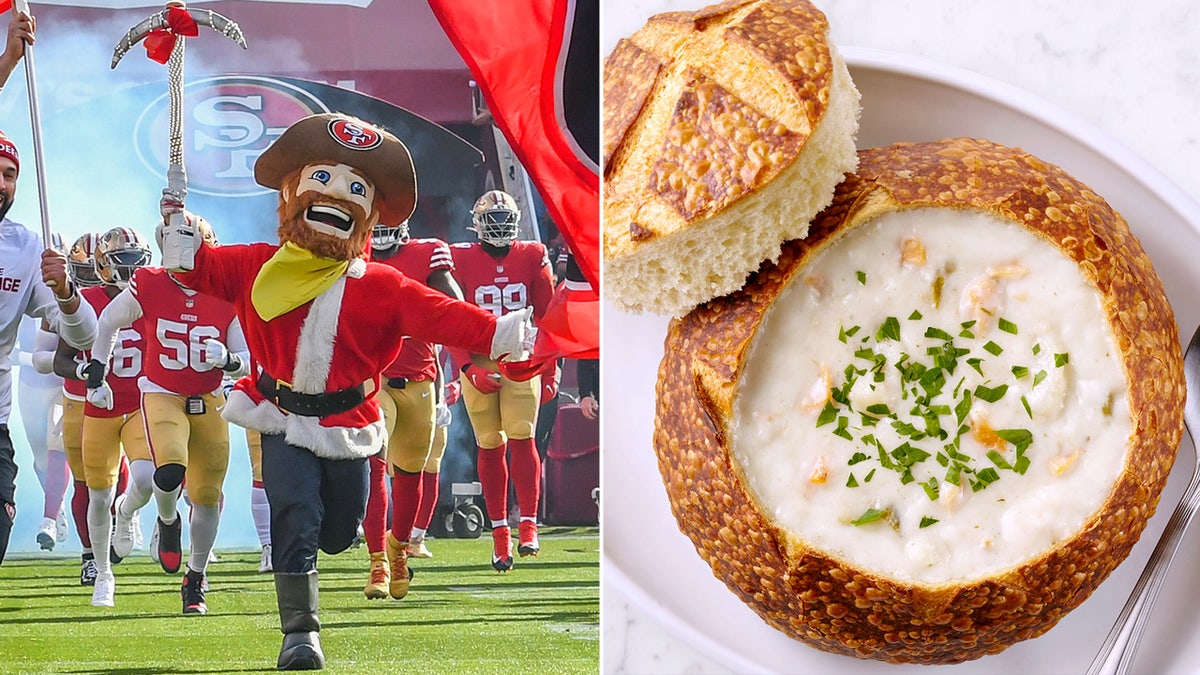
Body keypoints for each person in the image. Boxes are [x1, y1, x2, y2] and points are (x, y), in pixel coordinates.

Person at [158, 112, 534, 670]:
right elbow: (197, 271)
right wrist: (178, 240)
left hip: (350, 422)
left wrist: (495, 332)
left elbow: (439, 314)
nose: (336, 196)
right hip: (280, 414)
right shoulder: (257, 265)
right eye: (322, 181)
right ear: (293, 195)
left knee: (339, 529)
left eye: (354, 188)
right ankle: (300, 635)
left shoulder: (380, 284)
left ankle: (355, 554)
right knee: (294, 514)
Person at [86, 220, 249, 615]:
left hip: (209, 398)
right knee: (169, 469)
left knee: (207, 496)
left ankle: (195, 577)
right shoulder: (150, 283)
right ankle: (168, 519)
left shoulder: (228, 296)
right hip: (162, 393)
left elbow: (246, 362)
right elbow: (108, 320)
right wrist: (96, 367)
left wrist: (228, 360)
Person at [0, 123, 98, 564]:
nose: (2, 183)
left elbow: (83, 335)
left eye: (9, 174)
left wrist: (66, 293)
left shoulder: (26, 247)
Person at [449, 189, 554, 571]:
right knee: (490, 442)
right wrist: (468, 368)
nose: (499, 228)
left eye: (504, 220)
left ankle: (528, 524)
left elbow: (547, 315)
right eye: (491, 221)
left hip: (521, 356)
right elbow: (449, 320)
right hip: (479, 355)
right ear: (476, 224)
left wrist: (550, 364)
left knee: (522, 433)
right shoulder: (459, 257)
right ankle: (499, 534)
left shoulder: (531, 255)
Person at [360, 218, 461, 600]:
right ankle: (377, 561)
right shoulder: (354, 253)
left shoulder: (426, 253)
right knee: (375, 463)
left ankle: (398, 547)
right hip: (376, 380)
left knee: (410, 475)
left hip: (419, 380)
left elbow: (455, 305)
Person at [54, 227, 151, 607]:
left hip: (140, 404)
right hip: (94, 406)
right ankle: (100, 569)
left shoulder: (153, 295)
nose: (132, 268)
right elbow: (61, 357)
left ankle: (127, 514)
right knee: (95, 491)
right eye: (123, 260)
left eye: (137, 260)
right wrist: (84, 373)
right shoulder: (85, 301)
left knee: (145, 478)